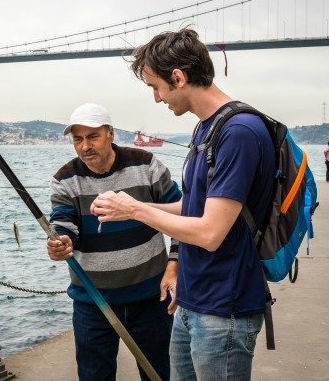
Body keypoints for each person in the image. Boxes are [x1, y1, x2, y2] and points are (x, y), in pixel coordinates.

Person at [90, 28, 275, 380]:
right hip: (193, 298)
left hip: (225, 309)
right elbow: (195, 209)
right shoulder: (208, 127)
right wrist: (134, 204)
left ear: (178, 77)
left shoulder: (238, 132)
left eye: (155, 87)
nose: (157, 98)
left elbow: (209, 233)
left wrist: (136, 211)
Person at [47, 102, 182, 381]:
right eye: (78, 139)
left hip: (150, 298)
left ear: (110, 133)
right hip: (92, 303)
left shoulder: (146, 165)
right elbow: (63, 221)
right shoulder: (65, 179)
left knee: (159, 373)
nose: (85, 146)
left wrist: (174, 265)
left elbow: (184, 214)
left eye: (93, 136)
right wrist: (61, 242)